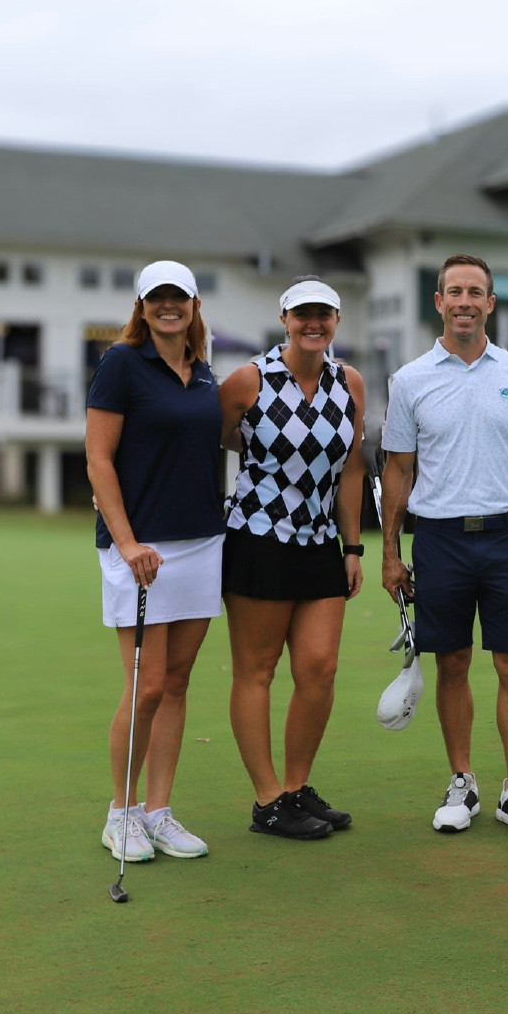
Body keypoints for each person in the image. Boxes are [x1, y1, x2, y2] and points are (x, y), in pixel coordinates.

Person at [380, 254, 508, 840]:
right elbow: (398, 469)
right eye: (454, 292)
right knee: (452, 663)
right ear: (438, 303)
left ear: (490, 303)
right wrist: (392, 553)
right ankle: (462, 782)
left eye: (476, 292)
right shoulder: (412, 379)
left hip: (505, 536)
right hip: (438, 538)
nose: (465, 301)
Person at [85, 260, 224, 864]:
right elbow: (98, 460)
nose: (168, 306)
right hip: (140, 548)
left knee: (178, 682)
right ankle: (121, 812)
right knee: (145, 686)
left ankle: (159, 811)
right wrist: (127, 542)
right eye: (156, 298)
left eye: (179, 297)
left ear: (193, 304)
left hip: (200, 544)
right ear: (141, 308)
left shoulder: (203, 373)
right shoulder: (121, 363)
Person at [219, 276, 367, 839]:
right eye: (302, 314)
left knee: (318, 669)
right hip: (258, 538)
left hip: (320, 542)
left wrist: (353, 547)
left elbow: (351, 467)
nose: (313, 323)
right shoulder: (248, 380)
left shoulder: (348, 381)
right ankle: (267, 800)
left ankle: (297, 788)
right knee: (257, 671)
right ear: (284, 319)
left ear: (336, 322)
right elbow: (215, 438)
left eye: (323, 314)